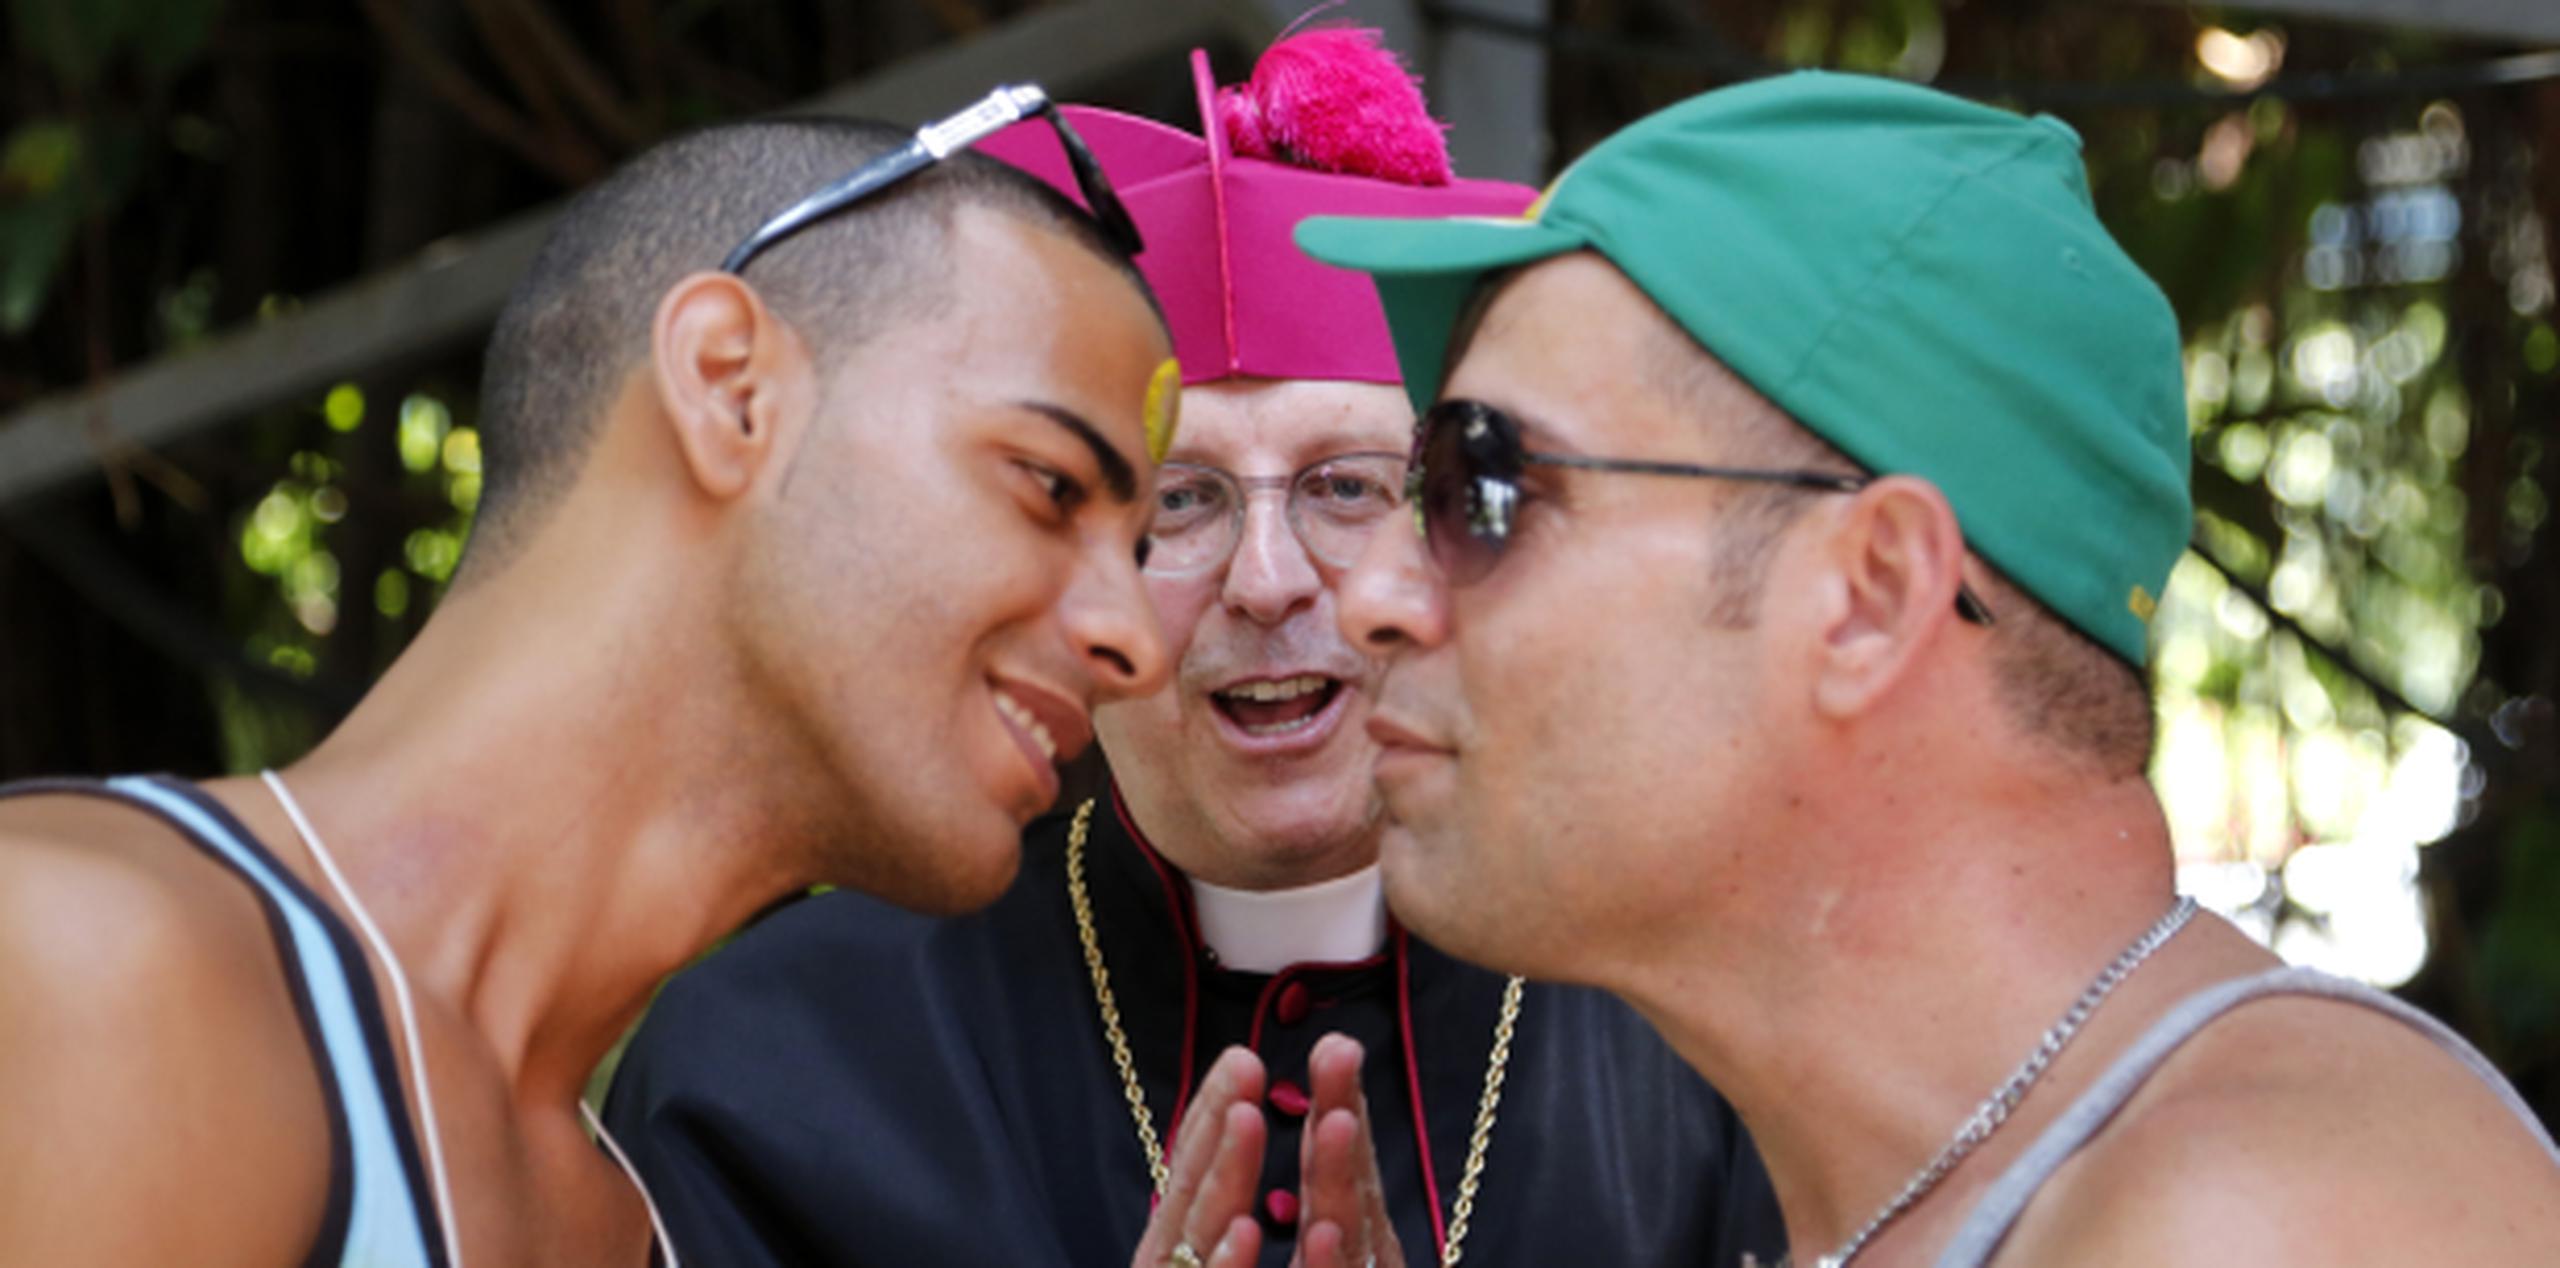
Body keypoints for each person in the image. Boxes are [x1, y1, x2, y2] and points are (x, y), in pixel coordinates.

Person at [1248, 69, 2560, 1266]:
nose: (1368, 593)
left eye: (1485, 484)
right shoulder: (1973, 1192)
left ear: (1870, 595)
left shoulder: (2253, 1222)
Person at [602, 32, 1785, 1268]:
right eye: (1178, 501)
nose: (1266, 582)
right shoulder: (778, 1059)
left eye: (1344, 486)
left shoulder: (1703, 1019)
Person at [0, 90, 1177, 1267]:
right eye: (1051, 482)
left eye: (1136, 549)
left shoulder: (637, 1224)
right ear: (732, 388)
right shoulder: (89, 970)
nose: (1141, 641)